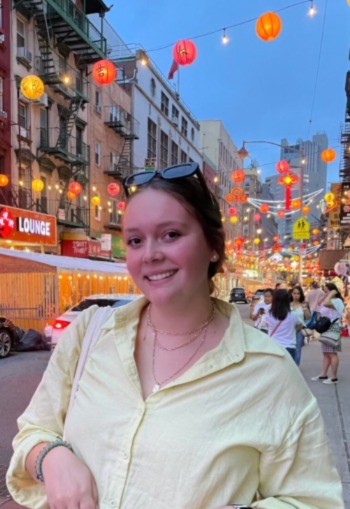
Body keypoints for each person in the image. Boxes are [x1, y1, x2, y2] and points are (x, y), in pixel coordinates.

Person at [6, 163, 343, 509]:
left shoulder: (267, 371)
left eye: (171, 235)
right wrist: (51, 457)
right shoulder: (89, 334)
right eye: (136, 240)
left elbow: (315, 500)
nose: (151, 254)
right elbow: (33, 431)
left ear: (214, 246)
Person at [311, 282, 344, 384]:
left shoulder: (337, 301)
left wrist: (331, 294)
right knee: (325, 353)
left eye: (327, 291)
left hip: (333, 329)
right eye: (324, 290)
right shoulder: (328, 299)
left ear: (333, 291)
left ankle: (334, 377)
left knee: (332, 353)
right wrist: (325, 294)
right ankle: (323, 374)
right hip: (326, 329)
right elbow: (319, 303)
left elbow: (325, 304)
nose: (325, 293)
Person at [264, 289, 303, 362]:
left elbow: (267, 325)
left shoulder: (268, 315)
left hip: (273, 346)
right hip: (289, 346)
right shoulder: (293, 315)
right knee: (288, 371)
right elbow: (299, 326)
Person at [290, 285, 311, 366]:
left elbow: (308, 317)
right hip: (288, 330)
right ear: (291, 294)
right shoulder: (288, 304)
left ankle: (296, 368)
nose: (296, 295)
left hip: (299, 331)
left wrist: (304, 308)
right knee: (289, 349)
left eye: (298, 293)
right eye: (294, 293)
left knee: (297, 350)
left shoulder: (303, 305)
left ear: (301, 295)